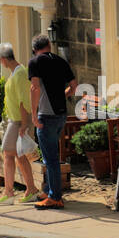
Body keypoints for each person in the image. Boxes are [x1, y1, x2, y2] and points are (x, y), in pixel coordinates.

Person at [29, 35, 77, 210]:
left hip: (46, 116)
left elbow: (34, 88)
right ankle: (49, 190)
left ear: (35, 49)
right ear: (49, 46)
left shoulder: (34, 62)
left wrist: (33, 115)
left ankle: (55, 198)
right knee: (51, 155)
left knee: (50, 159)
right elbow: (74, 86)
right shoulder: (61, 61)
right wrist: (61, 96)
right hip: (61, 115)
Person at [0, 43, 42, 205]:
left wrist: (23, 124)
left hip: (18, 121)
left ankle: (9, 192)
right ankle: (31, 190)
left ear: (3, 60)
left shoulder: (20, 73)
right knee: (19, 156)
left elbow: (23, 101)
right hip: (13, 120)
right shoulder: (16, 72)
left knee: (8, 153)